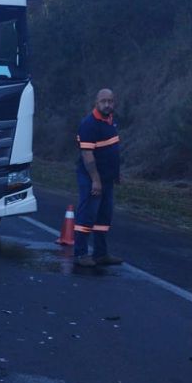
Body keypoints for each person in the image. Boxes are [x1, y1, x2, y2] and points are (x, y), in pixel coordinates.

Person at [73, 88, 124, 268]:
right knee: (88, 214)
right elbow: (87, 155)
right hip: (91, 178)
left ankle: (101, 254)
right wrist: (95, 180)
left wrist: (115, 173)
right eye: (103, 101)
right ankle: (80, 254)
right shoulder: (89, 124)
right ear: (96, 102)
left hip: (107, 178)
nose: (107, 104)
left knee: (104, 216)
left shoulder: (110, 122)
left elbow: (111, 151)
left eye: (110, 101)